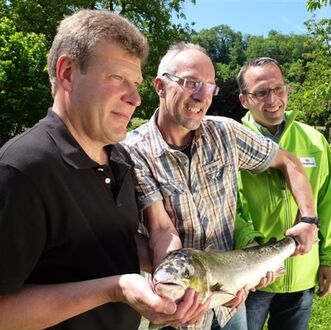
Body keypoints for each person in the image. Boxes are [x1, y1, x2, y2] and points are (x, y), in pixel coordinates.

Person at [0, 10, 207, 330]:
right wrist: (115, 289)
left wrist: (177, 272)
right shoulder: (22, 171)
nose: (136, 98)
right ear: (67, 73)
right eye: (117, 78)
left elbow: (107, 243)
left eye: (136, 83)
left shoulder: (121, 160)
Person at [123, 43, 319, 330]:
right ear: (160, 86)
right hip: (176, 308)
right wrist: (191, 290)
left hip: (230, 306)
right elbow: (161, 230)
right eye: (191, 83)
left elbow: (289, 162)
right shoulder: (132, 152)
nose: (202, 96)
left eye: (210, 87)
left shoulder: (225, 133)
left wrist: (309, 219)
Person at [235, 57, 331, 330]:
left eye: (279, 89)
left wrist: (327, 258)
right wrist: (251, 247)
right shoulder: (232, 141)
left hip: (302, 272)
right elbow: (227, 205)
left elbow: (326, 200)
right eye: (261, 93)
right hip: (253, 274)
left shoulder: (314, 140)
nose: (273, 99)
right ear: (244, 100)